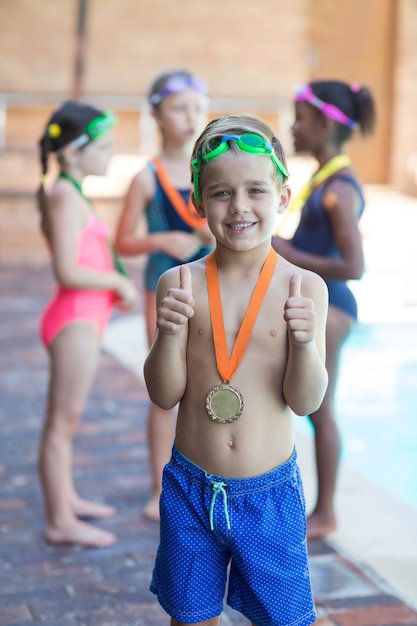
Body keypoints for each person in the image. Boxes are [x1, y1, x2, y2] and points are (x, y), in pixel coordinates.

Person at [144, 114, 328, 626]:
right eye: (221, 193)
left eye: (255, 190)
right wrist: (169, 335)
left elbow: (306, 401)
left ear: (284, 196)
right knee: (192, 617)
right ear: (198, 201)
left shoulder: (302, 288)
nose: (239, 206)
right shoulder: (179, 284)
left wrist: (306, 344)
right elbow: (163, 394)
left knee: (284, 620)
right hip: (190, 488)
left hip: (269, 494)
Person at [272, 80, 376, 539]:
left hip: (332, 308)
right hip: (320, 303)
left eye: (299, 118)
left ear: (324, 123)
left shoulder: (339, 191)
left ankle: (326, 513)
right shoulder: (326, 180)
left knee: (320, 410)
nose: (293, 127)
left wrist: (286, 251)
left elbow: (353, 265)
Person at [37, 101, 138, 548]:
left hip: (85, 322)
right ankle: (59, 519)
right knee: (61, 424)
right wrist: (117, 279)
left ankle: (68, 499)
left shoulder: (73, 193)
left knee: (68, 423)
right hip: (74, 322)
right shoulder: (63, 197)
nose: (110, 155)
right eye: (103, 147)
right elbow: (67, 270)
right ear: (74, 152)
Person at [115, 69, 214, 521]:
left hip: (210, 286)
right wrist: (161, 241)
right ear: (156, 114)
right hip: (163, 286)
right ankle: (160, 487)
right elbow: (122, 242)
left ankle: (209, 476)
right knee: (165, 390)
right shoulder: (147, 177)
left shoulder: (210, 169)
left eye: (198, 106)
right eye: (179, 108)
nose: (191, 117)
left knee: (209, 380)